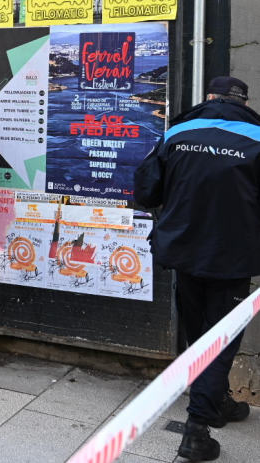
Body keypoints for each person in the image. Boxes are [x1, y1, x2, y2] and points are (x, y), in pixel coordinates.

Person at [134, 76, 256, 462]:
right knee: (221, 340)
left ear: (208, 98)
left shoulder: (179, 132)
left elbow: (146, 191)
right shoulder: (256, 137)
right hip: (231, 258)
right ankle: (197, 429)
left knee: (198, 332)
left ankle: (216, 403)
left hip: (184, 253)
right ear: (243, 101)